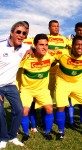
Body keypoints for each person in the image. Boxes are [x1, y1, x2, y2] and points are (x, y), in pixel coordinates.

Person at [18, 34, 55, 142]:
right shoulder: (25, 58)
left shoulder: (50, 55)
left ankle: (47, 132)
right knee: (24, 111)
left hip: (42, 90)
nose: (44, 47)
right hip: (27, 90)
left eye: (46, 45)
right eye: (41, 45)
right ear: (35, 45)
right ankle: (26, 134)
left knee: (49, 109)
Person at [0, 21, 30, 149]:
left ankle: (12, 136)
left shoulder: (24, 47)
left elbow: (39, 47)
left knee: (19, 110)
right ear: (11, 32)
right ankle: (3, 137)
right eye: (18, 32)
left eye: (24, 33)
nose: (21, 35)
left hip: (11, 85)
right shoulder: (1, 46)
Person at [66, 22, 82, 127]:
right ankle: (71, 120)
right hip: (72, 72)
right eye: (79, 30)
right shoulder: (68, 40)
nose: (81, 32)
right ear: (75, 30)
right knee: (70, 96)